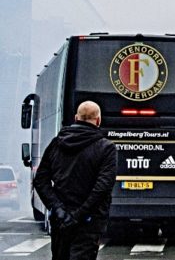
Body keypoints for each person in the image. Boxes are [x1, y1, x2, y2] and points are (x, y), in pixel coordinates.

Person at [33, 101, 117, 260]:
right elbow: (102, 187)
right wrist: (79, 215)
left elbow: (40, 180)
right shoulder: (106, 148)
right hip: (89, 222)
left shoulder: (56, 143)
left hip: (60, 221)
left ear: (76, 118)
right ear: (98, 120)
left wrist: (57, 209)